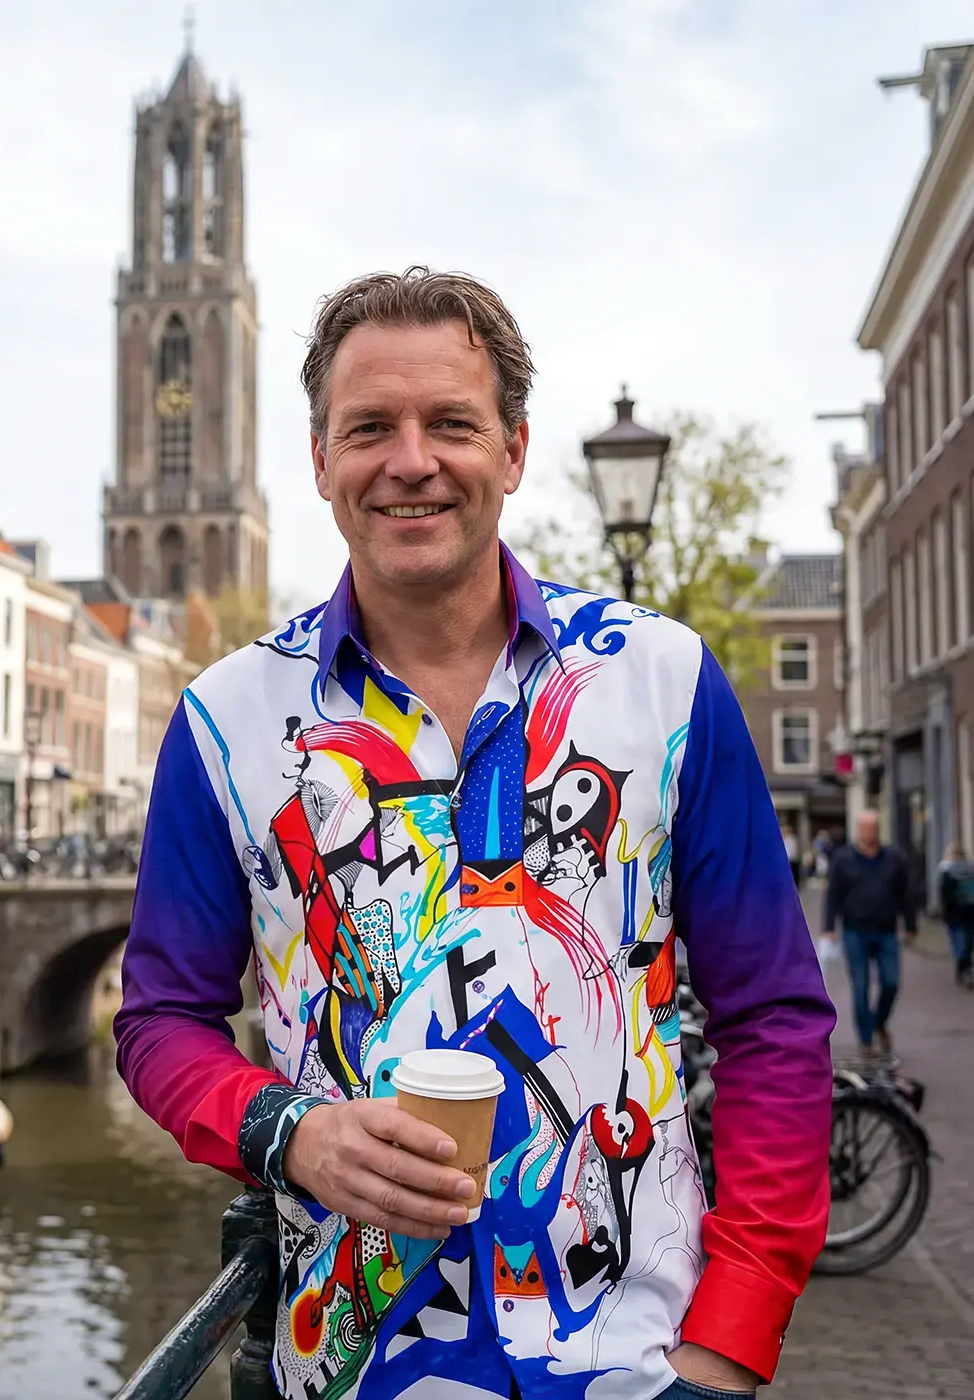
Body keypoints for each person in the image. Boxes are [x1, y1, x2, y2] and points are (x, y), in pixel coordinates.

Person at [114, 268, 835, 1400]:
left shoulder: (662, 680)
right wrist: (283, 1127)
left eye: (451, 422)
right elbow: (159, 1017)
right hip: (358, 1369)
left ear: (512, 449)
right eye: (368, 429)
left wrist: (734, 1333)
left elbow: (773, 1015)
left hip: (636, 1365)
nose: (411, 460)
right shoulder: (226, 722)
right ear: (319, 463)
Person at [823, 810, 917, 1056]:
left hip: (886, 931)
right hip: (855, 931)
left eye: (873, 827)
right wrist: (829, 926)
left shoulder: (894, 859)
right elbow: (833, 894)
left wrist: (910, 925)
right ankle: (866, 1040)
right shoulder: (843, 859)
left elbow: (905, 894)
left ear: (879, 829)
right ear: (858, 830)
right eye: (865, 828)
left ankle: (879, 1022)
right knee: (860, 987)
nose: (869, 832)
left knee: (891, 982)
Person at [938, 842, 974, 987]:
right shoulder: (972, 870)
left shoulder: (947, 872)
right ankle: (966, 970)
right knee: (969, 943)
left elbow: (945, 897)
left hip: (955, 915)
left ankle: (963, 971)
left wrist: (944, 915)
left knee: (959, 944)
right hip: (971, 913)